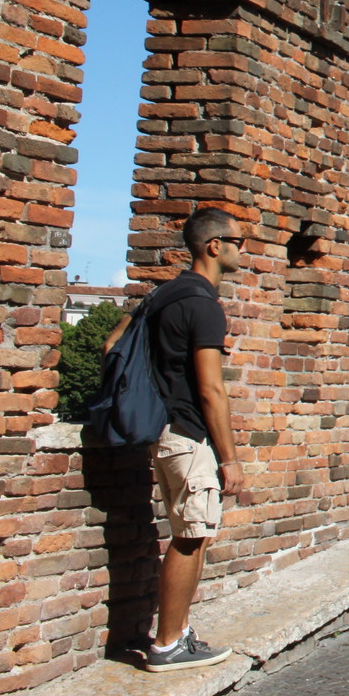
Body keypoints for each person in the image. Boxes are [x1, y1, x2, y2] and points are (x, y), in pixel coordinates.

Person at [101, 207, 245, 672]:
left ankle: (179, 632)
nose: (243, 250)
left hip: (161, 431)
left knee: (194, 532)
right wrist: (229, 459)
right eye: (238, 242)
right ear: (214, 246)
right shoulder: (203, 304)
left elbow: (110, 346)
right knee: (189, 536)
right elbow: (211, 388)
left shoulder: (163, 294)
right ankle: (166, 644)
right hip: (187, 434)